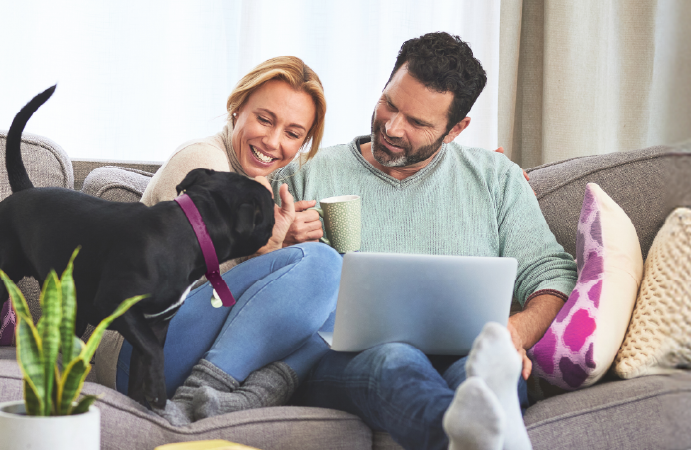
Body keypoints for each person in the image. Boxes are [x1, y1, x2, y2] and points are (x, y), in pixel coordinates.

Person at [277, 32, 577, 450]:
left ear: (456, 129)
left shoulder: (495, 179)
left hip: (465, 355)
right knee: (396, 359)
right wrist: (283, 246)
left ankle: (477, 430)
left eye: (417, 123)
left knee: (489, 372)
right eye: (390, 104)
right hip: (347, 364)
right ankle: (472, 437)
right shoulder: (306, 173)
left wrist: (514, 332)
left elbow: (552, 274)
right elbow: (258, 285)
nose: (392, 127)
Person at [115, 56, 342, 425]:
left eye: (292, 133)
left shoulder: (258, 186)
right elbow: (182, 285)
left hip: (177, 349)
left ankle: (250, 396)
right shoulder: (204, 163)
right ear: (237, 109)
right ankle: (196, 397)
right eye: (264, 119)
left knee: (336, 298)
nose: (273, 141)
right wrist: (270, 251)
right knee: (323, 262)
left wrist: (278, 249)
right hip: (140, 351)